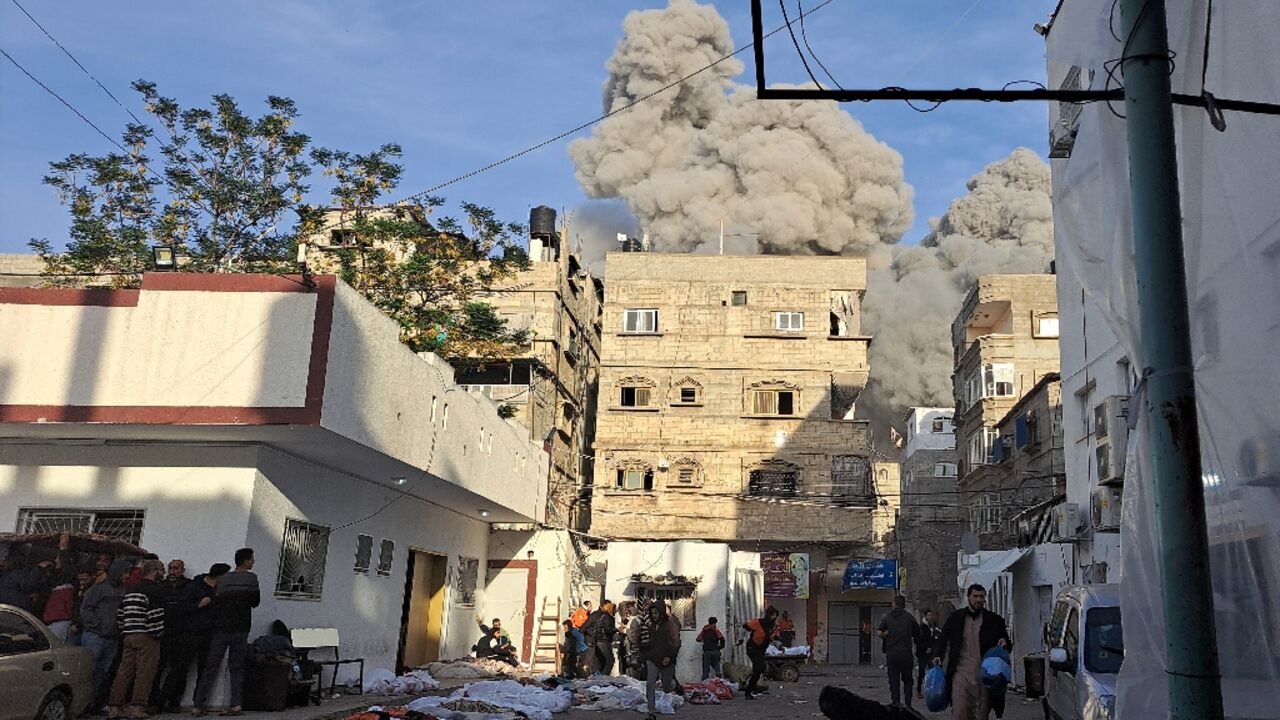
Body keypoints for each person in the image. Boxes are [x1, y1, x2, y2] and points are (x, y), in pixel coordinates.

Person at [194, 548, 260, 716]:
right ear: (245, 561)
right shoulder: (251, 578)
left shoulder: (224, 579)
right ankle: (236, 703)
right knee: (237, 666)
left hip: (221, 627)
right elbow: (255, 601)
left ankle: (199, 703)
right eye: (251, 559)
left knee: (211, 665)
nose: (253, 562)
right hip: (241, 626)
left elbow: (218, 599)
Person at [934, 584, 1010, 720]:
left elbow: (1007, 642)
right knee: (959, 711)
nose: (978, 599)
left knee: (981, 714)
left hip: (984, 676)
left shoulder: (994, 620)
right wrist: (937, 655)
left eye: (981, 596)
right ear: (968, 597)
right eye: (975, 596)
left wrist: (1004, 643)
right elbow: (943, 638)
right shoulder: (956, 618)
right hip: (961, 673)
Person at [160, 564, 227, 714]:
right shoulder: (194, 586)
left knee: (204, 669)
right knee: (180, 667)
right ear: (219, 576)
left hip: (209, 634)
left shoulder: (218, 591)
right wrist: (198, 605)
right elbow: (182, 608)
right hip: (191, 632)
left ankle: (198, 703)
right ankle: (164, 700)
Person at [108, 559, 167, 720]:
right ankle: (138, 708)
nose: (164, 573)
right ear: (154, 571)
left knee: (124, 671)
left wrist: (124, 630)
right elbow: (155, 614)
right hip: (146, 636)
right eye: (161, 570)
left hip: (128, 634)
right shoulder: (154, 589)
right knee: (145, 673)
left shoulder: (132, 590)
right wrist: (157, 633)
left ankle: (114, 707)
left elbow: (121, 613)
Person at [83, 558, 136, 713]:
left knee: (103, 673)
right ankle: (83, 704)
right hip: (95, 636)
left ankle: (93, 704)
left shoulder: (123, 590)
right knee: (89, 671)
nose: (127, 576)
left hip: (112, 638)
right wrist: (98, 625)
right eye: (125, 572)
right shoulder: (98, 589)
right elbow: (86, 609)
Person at [149, 560, 191, 712]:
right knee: (157, 668)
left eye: (176, 569)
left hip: (181, 633)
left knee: (179, 669)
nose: (173, 572)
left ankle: (173, 701)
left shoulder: (188, 586)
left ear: (182, 570)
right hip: (163, 632)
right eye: (171, 569)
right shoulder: (161, 586)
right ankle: (154, 701)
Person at [638, 599, 681, 720]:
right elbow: (650, 642)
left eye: (656, 613)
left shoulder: (670, 625)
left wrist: (669, 657)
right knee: (650, 684)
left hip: (667, 659)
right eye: (652, 613)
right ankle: (651, 710)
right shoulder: (652, 626)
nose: (654, 616)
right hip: (653, 658)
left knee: (666, 685)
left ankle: (674, 685)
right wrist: (644, 654)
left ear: (661, 612)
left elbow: (675, 643)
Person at [877, 595, 919, 708]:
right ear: (904, 604)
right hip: (906, 654)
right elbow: (917, 633)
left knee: (894, 682)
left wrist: (886, 635)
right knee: (908, 681)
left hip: (892, 655)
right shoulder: (909, 617)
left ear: (894, 604)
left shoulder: (887, 617)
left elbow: (879, 632)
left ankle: (896, 703)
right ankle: (908, 705)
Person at [742, 606, 779, 700]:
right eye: (772, 615)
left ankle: (748, 690)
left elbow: (775, 639)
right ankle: (746, 681)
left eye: (775, 616)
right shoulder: (758, 622)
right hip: (752, 647)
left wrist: (780, 646)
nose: (773, 617)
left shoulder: (774, 627)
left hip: (761, 650)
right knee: (759, 667)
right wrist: (740, 639)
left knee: (759, 670)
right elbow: (744, 628)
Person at [582, 600, 617, 675]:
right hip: (593, 641)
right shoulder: (597, 615)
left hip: (597, 641)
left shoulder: (603, 615)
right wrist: (592, 635)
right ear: (604, 606)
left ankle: (597, 679)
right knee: (594, 663)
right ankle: (598, 678)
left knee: (599, 663)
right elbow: (584, 627)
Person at [916, 609, 943, 700]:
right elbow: (918, 641)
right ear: (925, 616)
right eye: (929, 615)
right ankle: (919, 690)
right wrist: (924, 648)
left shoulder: (934, 626)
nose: (931, 617)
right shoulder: (922, 627)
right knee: (921, 672)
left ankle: (934, 690)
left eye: (932, 615)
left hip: (932, 654)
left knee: (934, 671)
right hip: (922, 654)